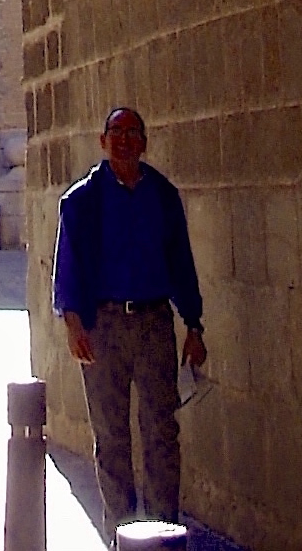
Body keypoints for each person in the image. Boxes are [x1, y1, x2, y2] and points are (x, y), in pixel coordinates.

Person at [53, 106, 206, 536]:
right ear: (103, 141)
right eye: (115, 132)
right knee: (111, 437)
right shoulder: (81, 201)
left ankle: (163, 532)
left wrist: (193, 325)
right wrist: (74, 326)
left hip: (154, 323)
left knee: (161, 432)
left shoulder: (163, 195)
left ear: (144, 142)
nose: (124, 140)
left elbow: (181, 264)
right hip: (102, 328)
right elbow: (69, 267)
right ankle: (120, 534)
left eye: (133, 132)